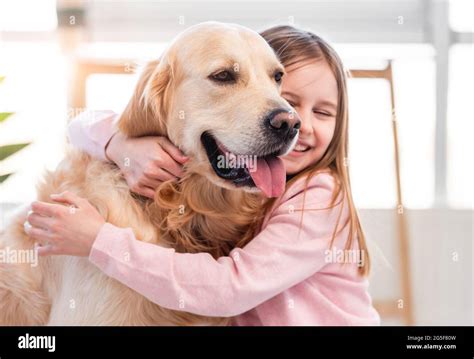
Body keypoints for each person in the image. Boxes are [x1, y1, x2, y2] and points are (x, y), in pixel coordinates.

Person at [25, 25, 380, 325]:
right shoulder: (241, 179)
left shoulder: (316, 198)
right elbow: (83, 124)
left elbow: (228, 288)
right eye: (226, 76)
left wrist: (98, 241)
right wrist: (121, 144)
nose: (289, 118)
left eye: (273, 80)